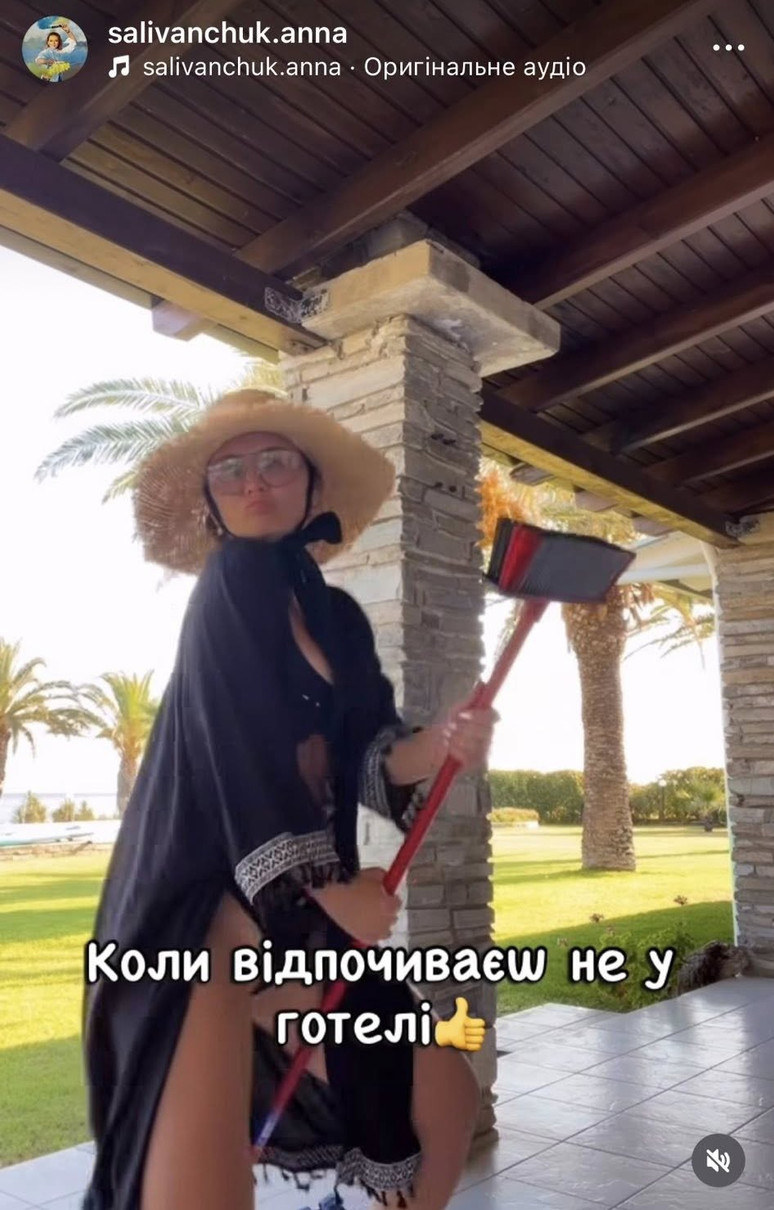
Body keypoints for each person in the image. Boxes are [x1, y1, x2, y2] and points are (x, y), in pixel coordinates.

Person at [80, 388, 498, 1210]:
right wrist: (331, 890)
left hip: (299, 923)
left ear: (312, 485)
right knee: (198, 1195)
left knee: (441, 1096)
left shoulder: (334, 614)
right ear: (211, 503)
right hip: (199, 919)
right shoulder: (229, 584)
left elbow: (369, 751)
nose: (252, 481)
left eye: (274, 461)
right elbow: (236, 752)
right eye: (229, 470)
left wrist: (443, 742)